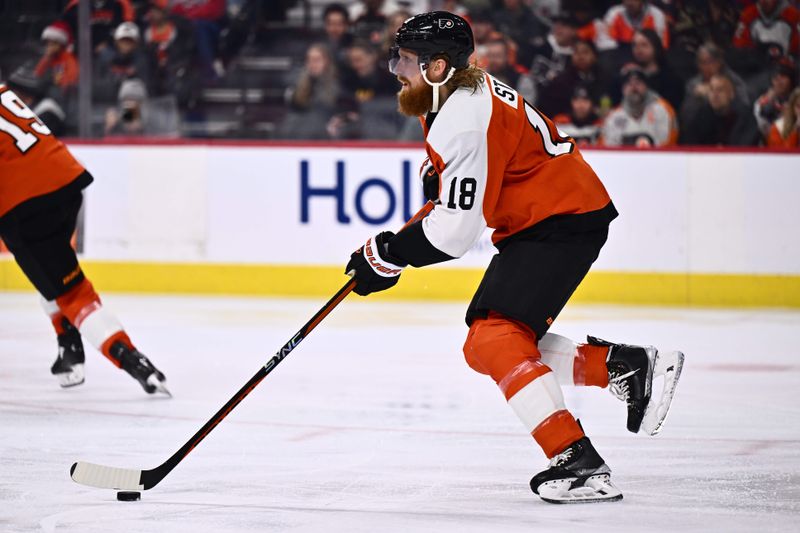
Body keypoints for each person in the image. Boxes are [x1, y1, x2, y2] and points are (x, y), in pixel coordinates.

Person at [343, 11, 684, 504]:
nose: (397, 68)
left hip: (560, 219)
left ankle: (577, 461)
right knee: (485, 346)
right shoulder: (451, 93)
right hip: (550, 216)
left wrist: (390, 256)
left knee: (497, 337)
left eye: (407, 59)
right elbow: (470, 175)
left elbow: (455, 234)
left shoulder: (461, 118)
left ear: (439, 67)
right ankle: (625, 368)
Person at [0, 82, 170, 395]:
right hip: (65, 182)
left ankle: (134, 362)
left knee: (72, 293)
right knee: (51, 272)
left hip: (26, 205)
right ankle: (69, 347)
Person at [602, 64, 678, 147]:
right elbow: (609, 146)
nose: (634, 88)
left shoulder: (662, 109)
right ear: (623, 89)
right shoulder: (614, 117)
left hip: (658, 158)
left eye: (638, 83)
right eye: (629, 84)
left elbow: (668, 140)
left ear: (646, 86)